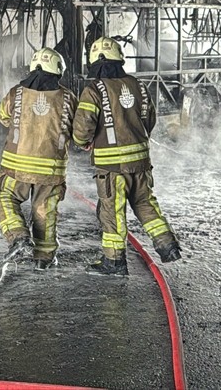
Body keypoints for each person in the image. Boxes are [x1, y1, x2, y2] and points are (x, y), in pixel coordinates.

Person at [72, 36, 182, 276]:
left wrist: (84, 143)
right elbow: (149, 120)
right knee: (144, 203)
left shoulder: (94, 90)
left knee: (112, 211)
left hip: (112, 167)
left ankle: (114, 262)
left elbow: (82, 129)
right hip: (141, 162)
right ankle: (168, 246)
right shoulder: (139, 85)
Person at [0, 47, 78, 269]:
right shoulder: (68, 98)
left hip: (16, 166)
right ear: (57, 70)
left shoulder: (16, 93)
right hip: (52, 170)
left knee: (5, 195)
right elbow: (77, 131)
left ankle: (18, 237)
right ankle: (44, 259)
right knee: (45, 211)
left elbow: (3, 117)